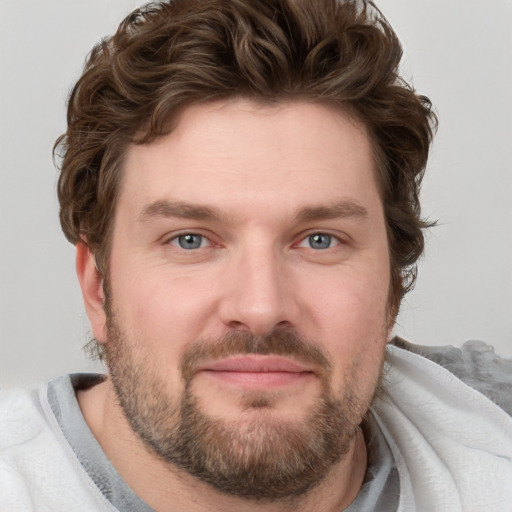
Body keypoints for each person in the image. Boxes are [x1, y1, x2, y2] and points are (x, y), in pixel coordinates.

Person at [1, 0, 511, 510]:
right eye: (190, 240)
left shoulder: (493, 425)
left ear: (392, 288)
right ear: (97, 287)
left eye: (319, 240)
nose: (261, 308)